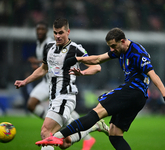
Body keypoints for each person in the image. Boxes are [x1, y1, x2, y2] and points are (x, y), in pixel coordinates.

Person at [35, 27, 165, 150]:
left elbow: (153, 74)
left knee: (95, 113)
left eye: (113, 46)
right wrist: (78, 59)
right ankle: (92, 127)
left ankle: (57, 136)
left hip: (132, 91)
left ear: (122, 41)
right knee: (115, 135)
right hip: (138, 98)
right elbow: (97, 59)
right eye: (110, 46)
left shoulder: (137, 52)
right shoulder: (119, 50)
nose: (112, 49)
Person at [15, 17, 109, 150]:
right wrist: (26, 81)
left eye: (61, 33)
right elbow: (43, 69)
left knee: (46, 132)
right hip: (54, 99)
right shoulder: (49, 47)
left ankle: (93, 126)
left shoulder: (76, 49)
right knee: (65, 143)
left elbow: (97, 67)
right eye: (55, 33)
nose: (58, 36)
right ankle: (94, 126)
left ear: (68, 32)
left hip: (66, 97)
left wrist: (82, 73)